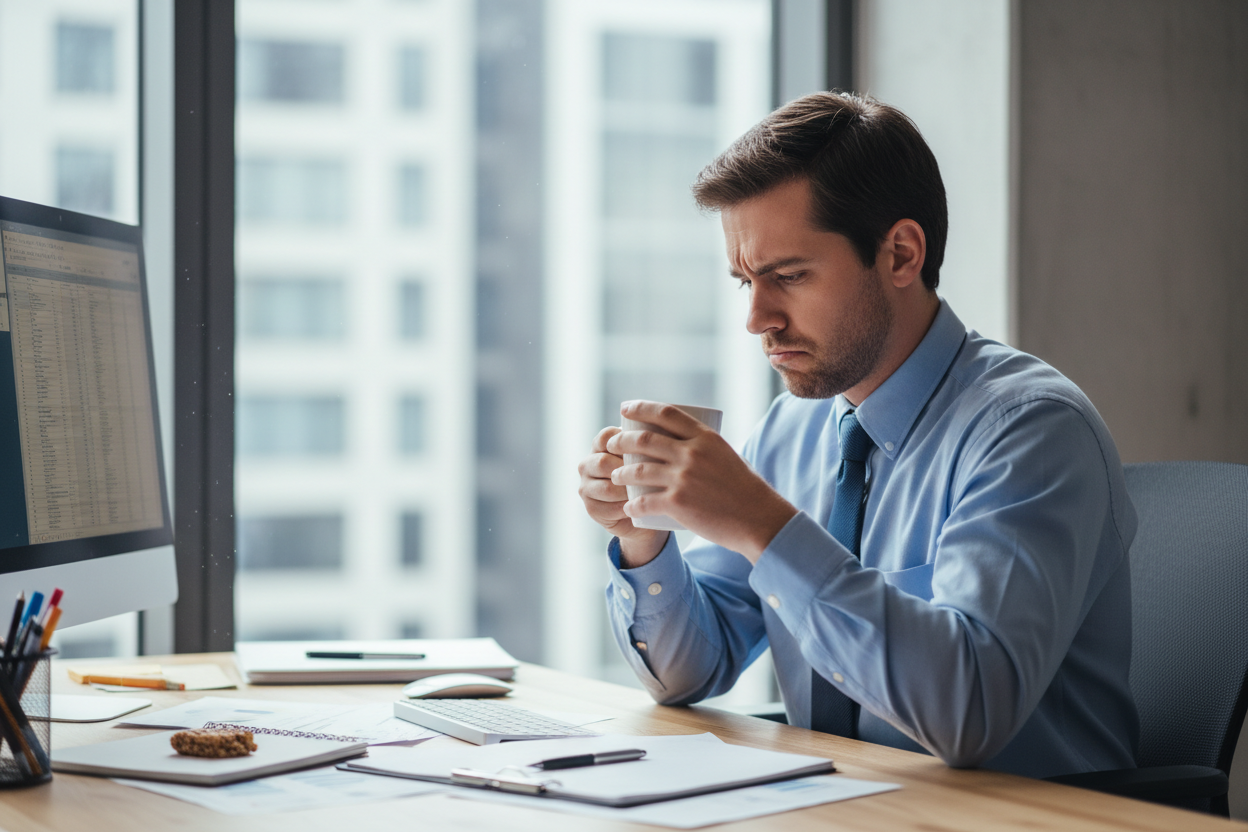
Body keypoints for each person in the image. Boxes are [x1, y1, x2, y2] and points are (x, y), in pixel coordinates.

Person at [576, 92, 1139, 779]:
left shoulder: (1030, 432)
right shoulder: (792, 430)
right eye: (745, 281)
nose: (756, 318)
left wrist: (761, 523)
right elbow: (693, 669)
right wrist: (645, 538)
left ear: (900, 255)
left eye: (788, 276)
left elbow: (969, 712)